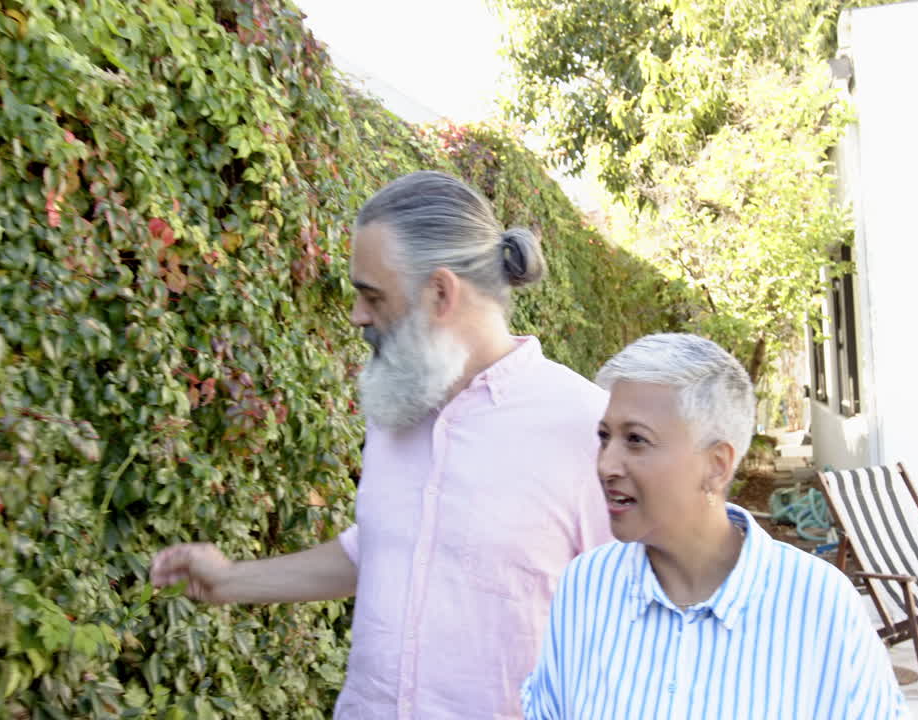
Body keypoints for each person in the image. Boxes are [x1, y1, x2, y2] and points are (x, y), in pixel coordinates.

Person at [150, 171, 613, 719]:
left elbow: (633, 623)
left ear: (440, 292)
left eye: (372, 295)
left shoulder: (588, 428)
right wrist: (229, 580)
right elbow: (383, 551)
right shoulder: (400, 407)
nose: (357, 316)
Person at [520, 334, 909, 719]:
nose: (607, 464)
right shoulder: (585, 588)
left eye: (636, 439)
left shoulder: (819, 604)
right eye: (605, 437)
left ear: (717, 465)